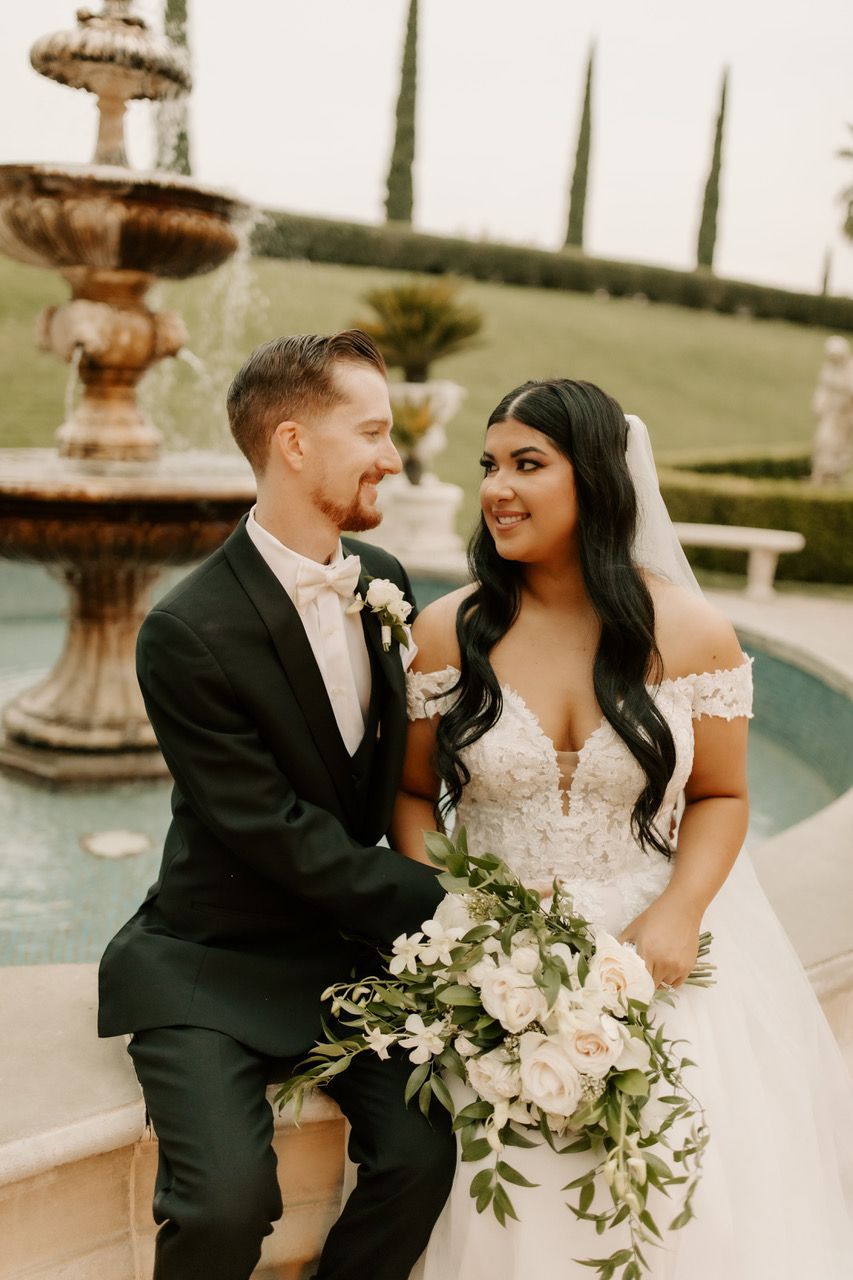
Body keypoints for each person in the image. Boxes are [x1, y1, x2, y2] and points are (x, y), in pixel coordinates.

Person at [393, 378, 853, 1278]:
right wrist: (454, 920)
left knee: (684, 1200)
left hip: (654, 954)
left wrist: (681, 910)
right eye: (489, 464)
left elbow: (721, 796)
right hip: (486, 960)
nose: (496, 488)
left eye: (528, 464)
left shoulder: (693, 634)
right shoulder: (450, 632)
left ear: (596, 479)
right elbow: (410, 796)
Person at [98, 331, 456, 1280]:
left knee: (424, 1157)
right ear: (293, 444)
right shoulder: (186, 630)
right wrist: (451, 911)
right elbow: (268, 830)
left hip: (344, 955)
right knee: (224, 1205)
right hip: (213, 961)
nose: (393, 454)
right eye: (371, 431)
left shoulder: (382, 581)